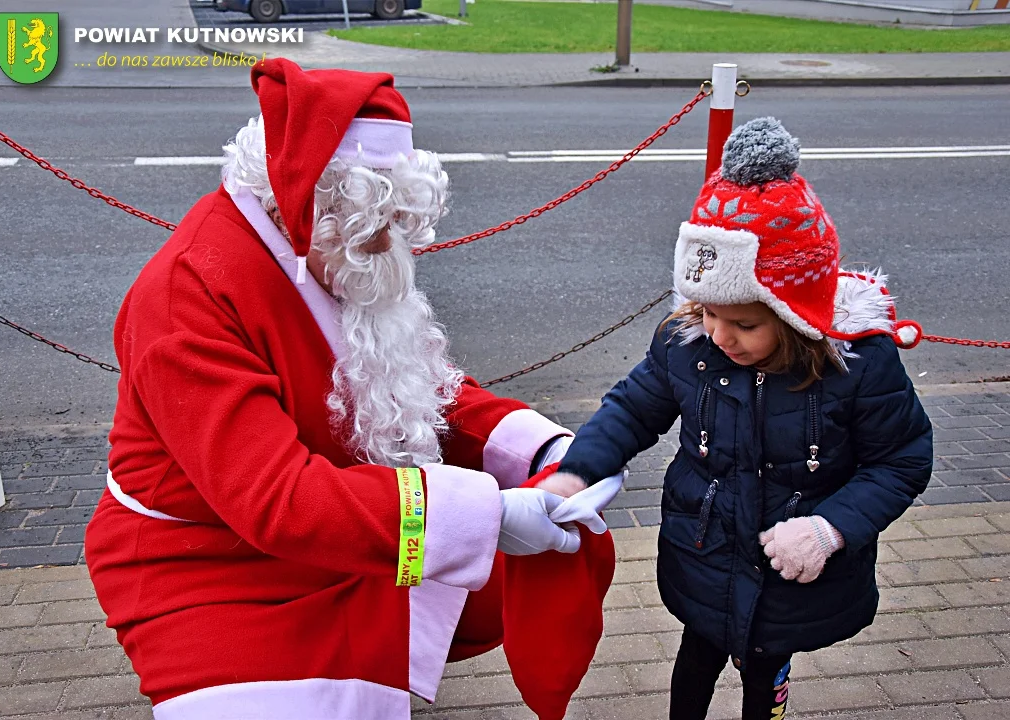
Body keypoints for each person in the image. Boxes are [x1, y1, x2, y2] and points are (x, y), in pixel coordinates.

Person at [85, 59, 616, 720]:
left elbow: (418, 384)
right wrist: (486, 517)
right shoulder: (187, 295)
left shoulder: (328, 252)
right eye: (378, 224)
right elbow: (277, 499)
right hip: (205, 557)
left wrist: (539, 449)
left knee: (494, 585)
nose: (394, 242)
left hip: (333, 518)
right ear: (309, 203)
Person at [537, 117, 933, 720]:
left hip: (791, 572)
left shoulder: (857, 366)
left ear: (795, 312)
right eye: (710, 313)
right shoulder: (686, 342)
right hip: (707, 553)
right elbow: (633, 407)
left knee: (766, 671)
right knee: (696, 657)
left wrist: (830, 529)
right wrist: (577, 470)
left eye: (745, 324)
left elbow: (901, 460)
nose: (721, 336)